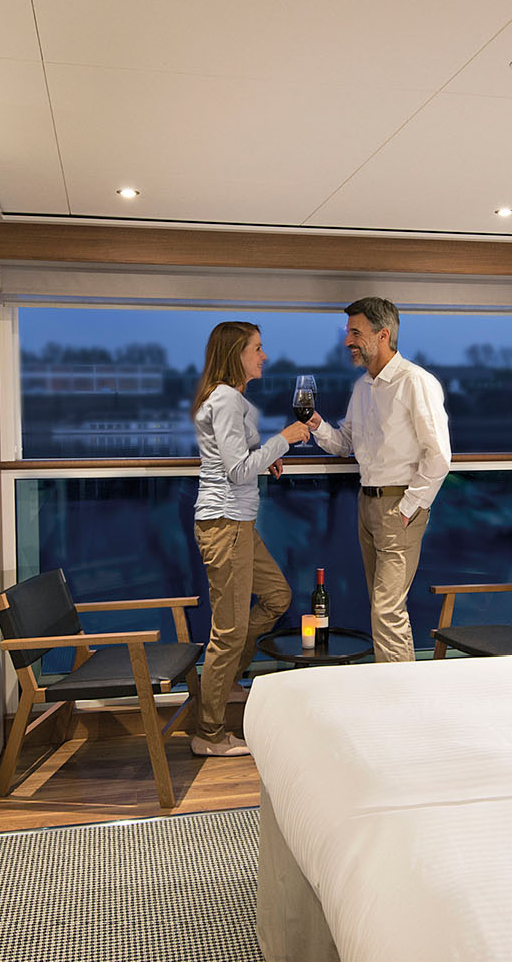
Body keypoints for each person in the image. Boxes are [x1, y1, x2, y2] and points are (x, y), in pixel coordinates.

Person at [191, 322, 311, 756]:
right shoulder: (225, 398)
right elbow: (237, 470)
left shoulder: (230, 398)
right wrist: (284, 439)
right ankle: (208, 733)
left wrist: (267, 459)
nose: (264, 356)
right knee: (228, 631)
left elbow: (241, 460)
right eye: (257, 348)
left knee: (277, 596)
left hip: (239, 525)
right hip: (226, 525)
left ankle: (225, 682)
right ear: (235, 354)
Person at [309, 297, 451, 663]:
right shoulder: (363, 388)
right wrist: (317, 425)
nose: (348, 341)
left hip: (398, 507)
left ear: (382, 335)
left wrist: (408, 507)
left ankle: (402, 693)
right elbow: (345, 444)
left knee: (387, 610)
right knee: (382, 606)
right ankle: (393, 684)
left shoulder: (415, 382)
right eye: (348, 333)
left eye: (356, 333)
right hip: (367, 504)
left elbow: (439, 455)